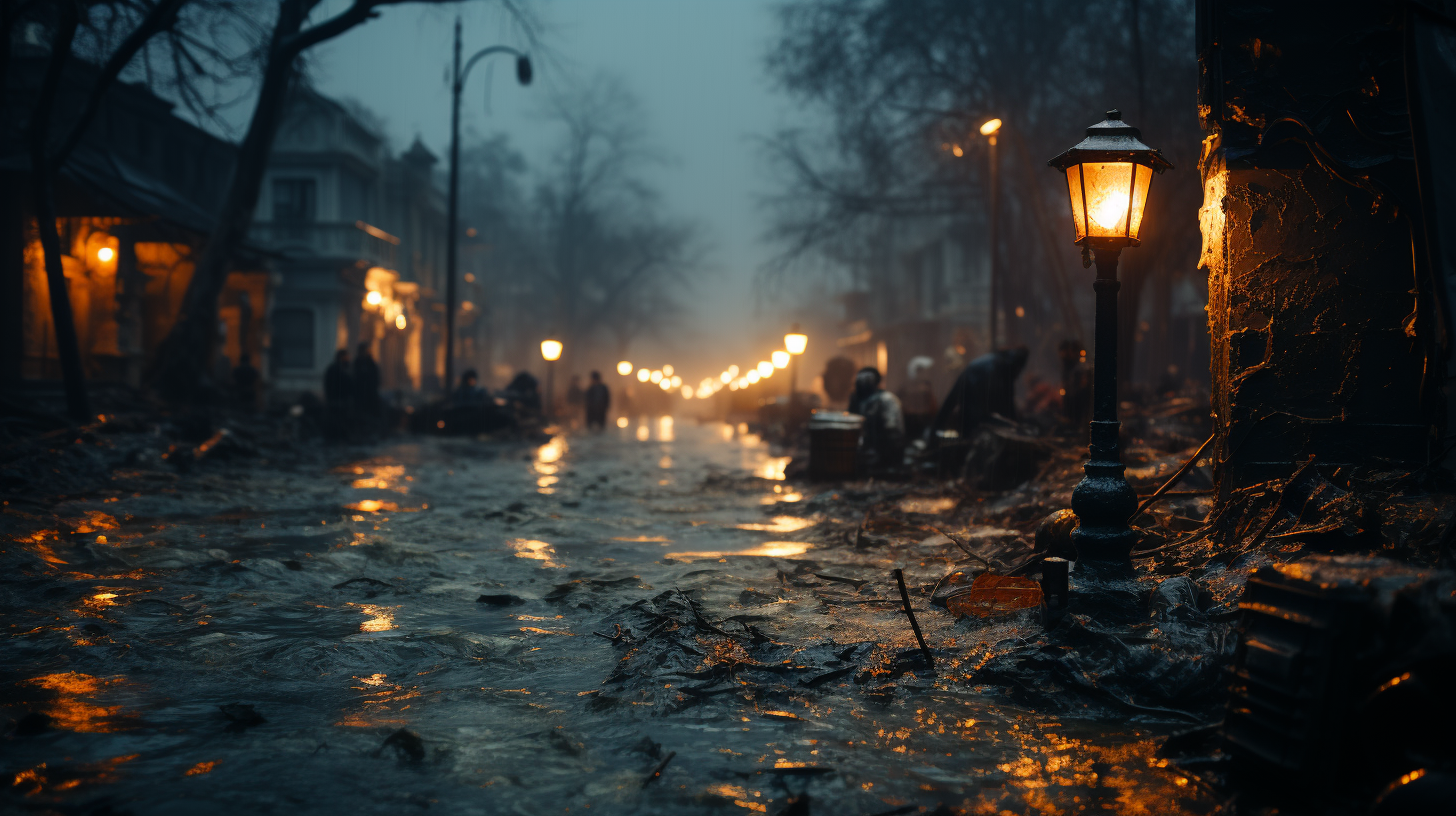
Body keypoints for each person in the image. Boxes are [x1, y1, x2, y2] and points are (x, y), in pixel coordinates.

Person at [931, 346, 1030, 439]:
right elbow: (1006, 402)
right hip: (975, 408)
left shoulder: (1002, 362)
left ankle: (933, 437)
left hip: (973, 404)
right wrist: (1015, 426)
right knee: (972, 432)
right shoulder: (1004, 365)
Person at [848, 367, 906, 472]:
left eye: (867, 379)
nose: (863, 383)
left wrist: (890, 460)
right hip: (864, 457)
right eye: (860, 380)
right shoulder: (858, 400)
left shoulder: (886, 399)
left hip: (883, 460)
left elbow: (894, 433)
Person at [1058, 339, 1093, 432]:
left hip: (1079, 396)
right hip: (1071, 395)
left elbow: (1082, 383)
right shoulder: (1068, 364)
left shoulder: (1081, 366)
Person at [323, 348, 352, 441]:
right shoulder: (339, 371)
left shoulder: (334, 369)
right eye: (346, 357)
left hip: (336, 401)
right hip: (338, 402)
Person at [353, 342, 381, 434]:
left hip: (370, 396)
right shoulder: (357, 363)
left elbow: (375, 380)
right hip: (359, 396)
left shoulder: (371, 364)